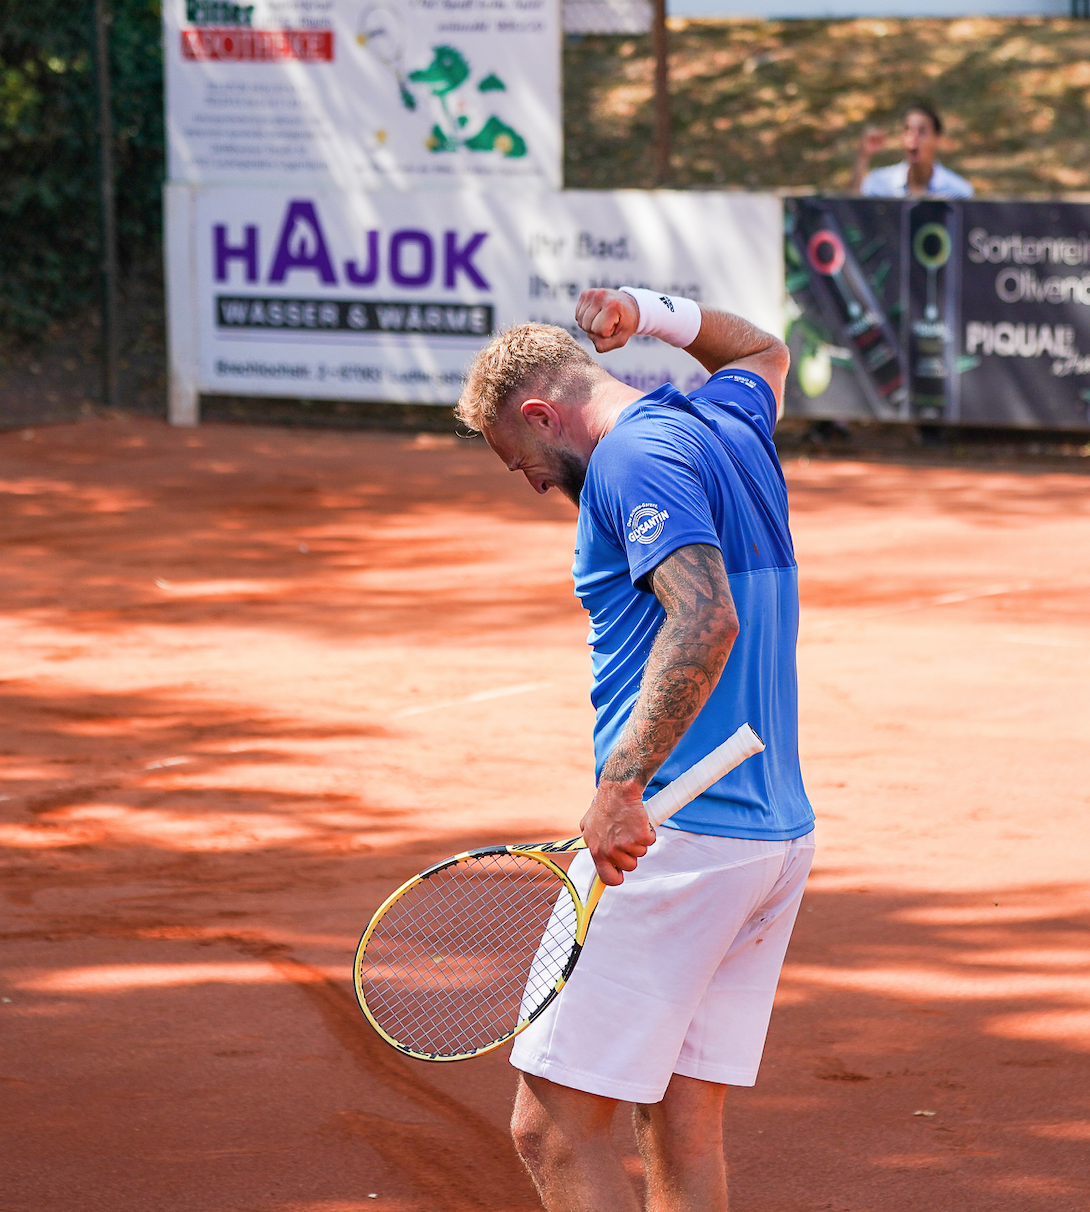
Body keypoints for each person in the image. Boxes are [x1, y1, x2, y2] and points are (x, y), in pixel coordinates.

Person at [454, 290, 816, 1212]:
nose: (531, 482)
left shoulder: (627, 460)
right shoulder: (722, 419)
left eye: (521, 460)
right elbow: (766, 351)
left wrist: (621, 787)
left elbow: (705, 619)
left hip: (675, 833)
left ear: (542, 414)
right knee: (683, 1121)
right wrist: (653, 313)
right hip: (770, 838)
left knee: (551, 1126)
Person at [850, 99, 974, 199]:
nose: (913, 137)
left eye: (922, 132)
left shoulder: (958, 192)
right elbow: (854, 214)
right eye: (907, 130)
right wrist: (863, 156)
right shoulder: (880, 184)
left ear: (938, 138)